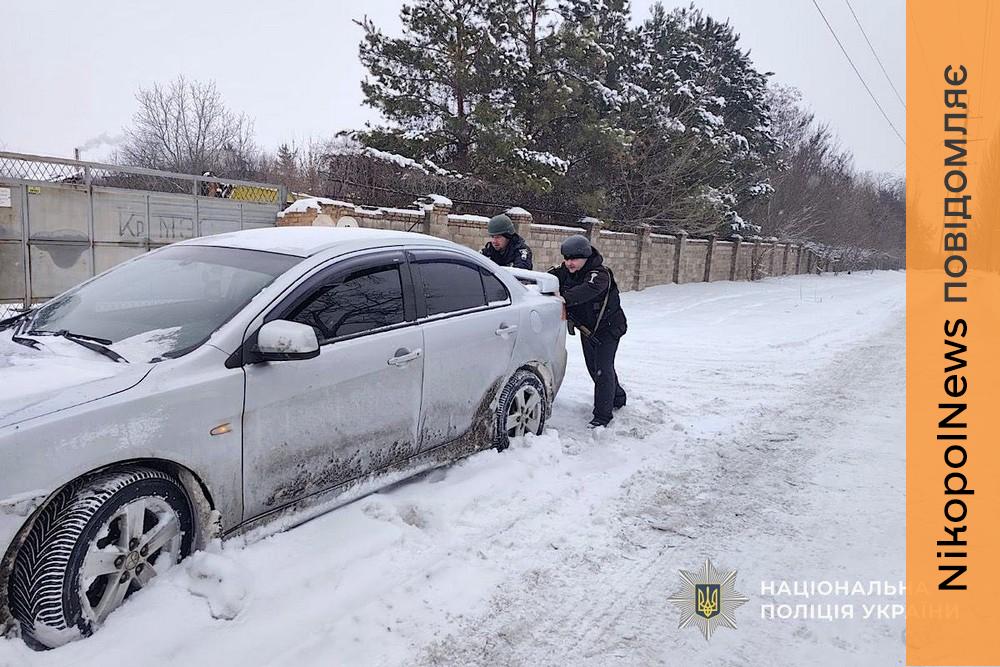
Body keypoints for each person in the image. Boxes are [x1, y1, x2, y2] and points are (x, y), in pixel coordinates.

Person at [549, 234, 628, 428]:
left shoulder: (599, 274)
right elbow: (548, 277)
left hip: (609, 329)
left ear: (585, 256)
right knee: (595, 368)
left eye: (574, 259)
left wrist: (564, 298)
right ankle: (617, 397)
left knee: (602, 369)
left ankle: (602, 416)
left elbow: (587, 290)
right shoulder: (566, 271)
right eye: (566, 258)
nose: (569, 263)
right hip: (589, 330)